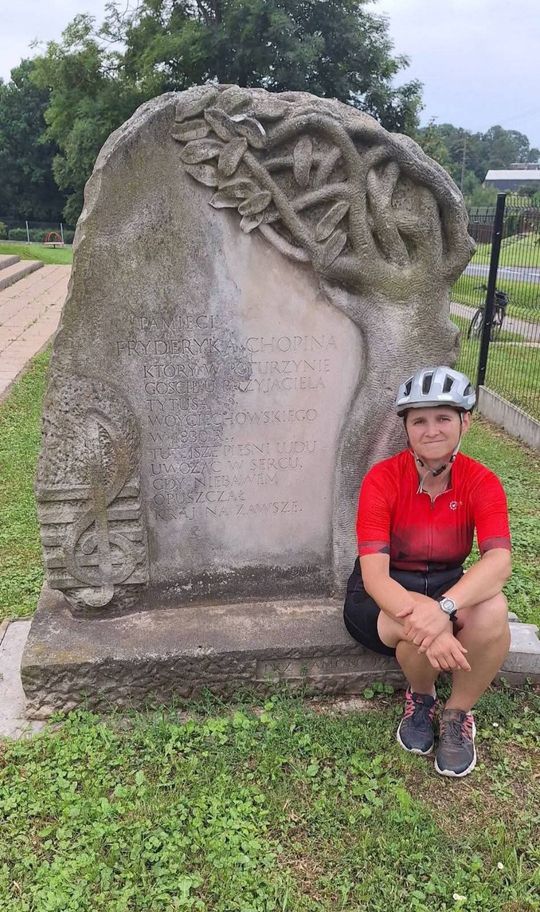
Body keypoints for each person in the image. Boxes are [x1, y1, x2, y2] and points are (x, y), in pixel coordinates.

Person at [344, 366, 512, 778]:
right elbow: (376, 578)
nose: (431, 430)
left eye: (443, 418)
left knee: (494, 609)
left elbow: (499, 561)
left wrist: (445, 608)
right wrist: (435, 624)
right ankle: (421, 696)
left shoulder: (482, 482)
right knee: (414, 629)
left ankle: (456, 714)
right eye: (419, 420)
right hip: (381, 598)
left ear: (464, 422)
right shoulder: (382, 480)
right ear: (406, 428)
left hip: (444, 588)